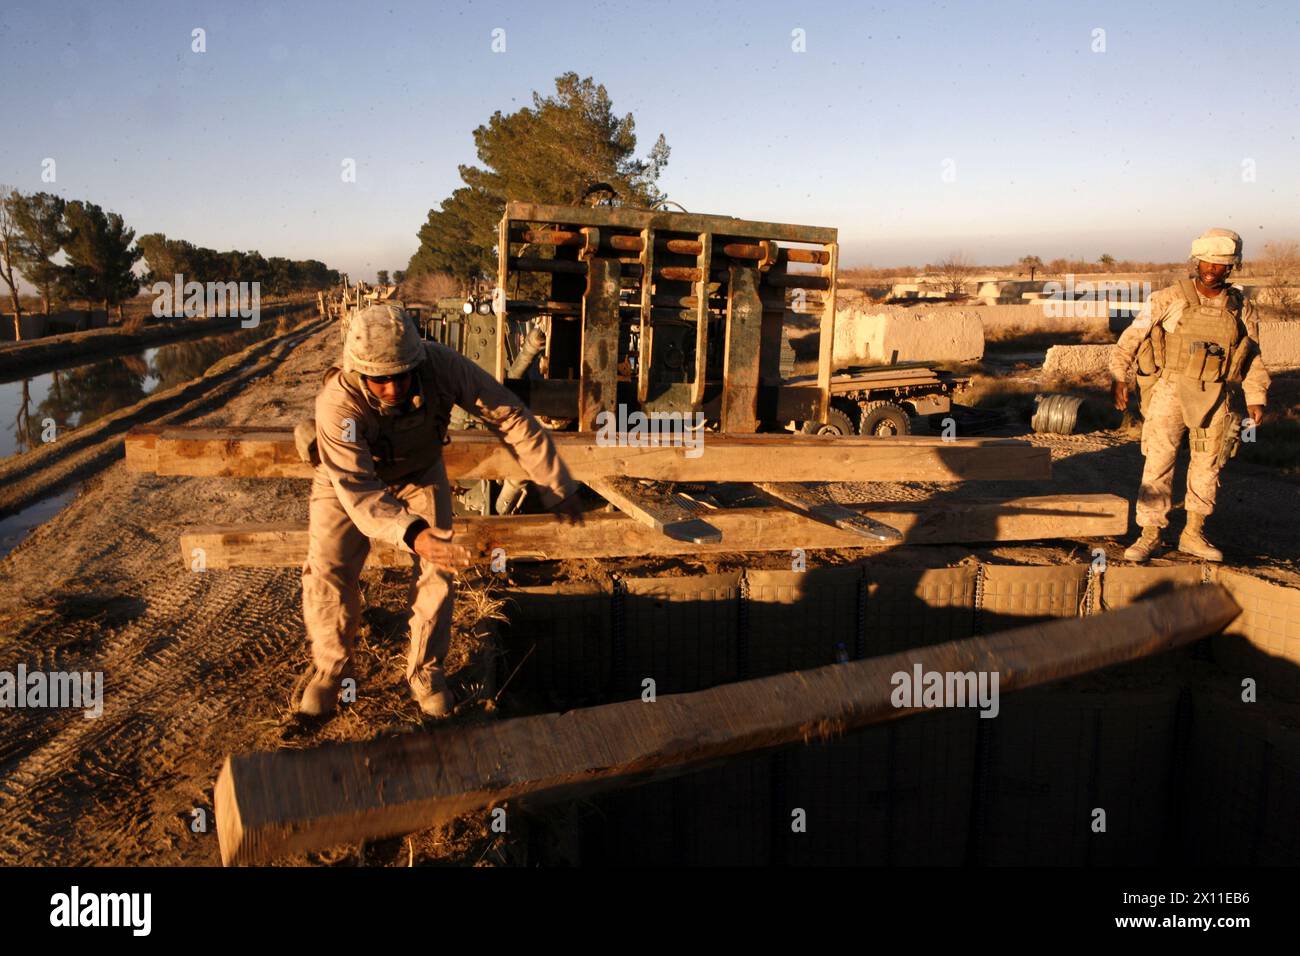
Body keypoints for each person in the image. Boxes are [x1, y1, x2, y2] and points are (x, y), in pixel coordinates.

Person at [298, 303, 583, 718]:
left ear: (418, 360)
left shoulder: (443, 367)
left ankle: (425, 673)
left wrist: (556, 483)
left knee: (439, 570)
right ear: (359, 373)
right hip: (347, 479)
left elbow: (509, 416)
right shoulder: (337, 403)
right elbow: (358, 493)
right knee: (328, 566)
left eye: (401, 375)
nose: (393, 389)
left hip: (419, 471)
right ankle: (331, 669)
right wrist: (413, 533)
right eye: (380, 381)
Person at [1109, 228, 1270, 563]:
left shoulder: (1241, 307)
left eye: (1220, 264)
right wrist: (1118, 376)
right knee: (1158, 463)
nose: (1211, 269)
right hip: (1170, 389)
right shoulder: (1169, 299)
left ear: (1232, 268)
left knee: (1208, 466)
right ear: (1196, 262)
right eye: (1206, 262)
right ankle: (1150, 534)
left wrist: (1256, 396)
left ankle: (1193, 534)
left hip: (1216, 395)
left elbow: (1251, 354)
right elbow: (1132, 338)